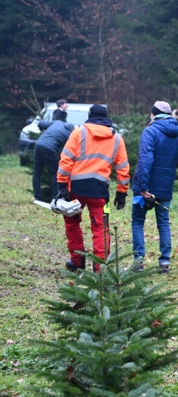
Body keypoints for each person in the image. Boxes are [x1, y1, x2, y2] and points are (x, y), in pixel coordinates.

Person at [55, 104, 130, 272]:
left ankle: (77, 261)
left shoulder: (78, 132)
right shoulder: (117, 138)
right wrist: (122, 193)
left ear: (90, 115)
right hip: (100, 193)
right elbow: (123, 168)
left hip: (76, 189)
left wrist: (62, 185)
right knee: (101, 228)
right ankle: (100, 269)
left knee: (72, 223)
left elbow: (66, 160)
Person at [130, 101, 178, 274]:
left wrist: (143, 186)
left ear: (153, 114)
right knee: (163, 223)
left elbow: (145, 160)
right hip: (165, 185)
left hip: (146, 186)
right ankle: (164, 263)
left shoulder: (150, 131)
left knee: (138, 221)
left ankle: (138, 262)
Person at [33, 99, 74, 202]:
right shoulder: (71, 134)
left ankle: (37, 197)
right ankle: (55, 197)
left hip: (38, 144)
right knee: (55, 173)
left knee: (37, 172)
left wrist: (43, 130)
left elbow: (41, 123)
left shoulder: (57, 123)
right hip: (49, 149)